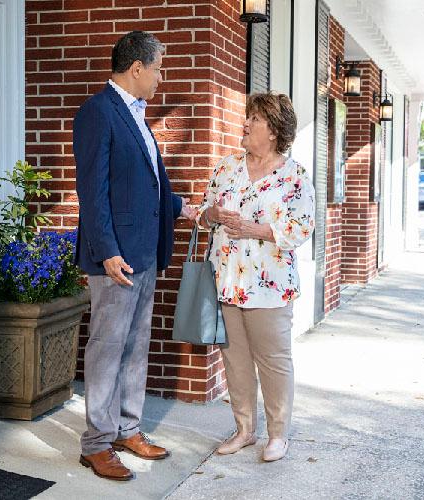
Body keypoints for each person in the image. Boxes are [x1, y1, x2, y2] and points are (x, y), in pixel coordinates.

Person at [73, 31, 195, 481]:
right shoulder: (97, 113)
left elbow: (149, 184)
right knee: (107, 349)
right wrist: (105, 250)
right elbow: (93, 191)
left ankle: (127, 429)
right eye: (159, 68)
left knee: (135, 347)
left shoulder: (138, 117)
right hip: (116, 259)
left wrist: (185, 208)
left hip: (145, 253)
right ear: (137, 68)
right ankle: (96, 444)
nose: (161, 78)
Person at [197, 92, 315, 462]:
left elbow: (302, 228)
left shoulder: (294, 176)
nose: (245, 124)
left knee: (274, 360)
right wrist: (212, 213)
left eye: (255, 120)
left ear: (275, 131)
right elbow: (202, 214)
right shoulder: (225, 166)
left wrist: (255, 229)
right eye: (247, 118)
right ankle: (245, 430)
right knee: (235, 361)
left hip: (270, 285)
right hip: (227, 279)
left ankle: (277, 435)